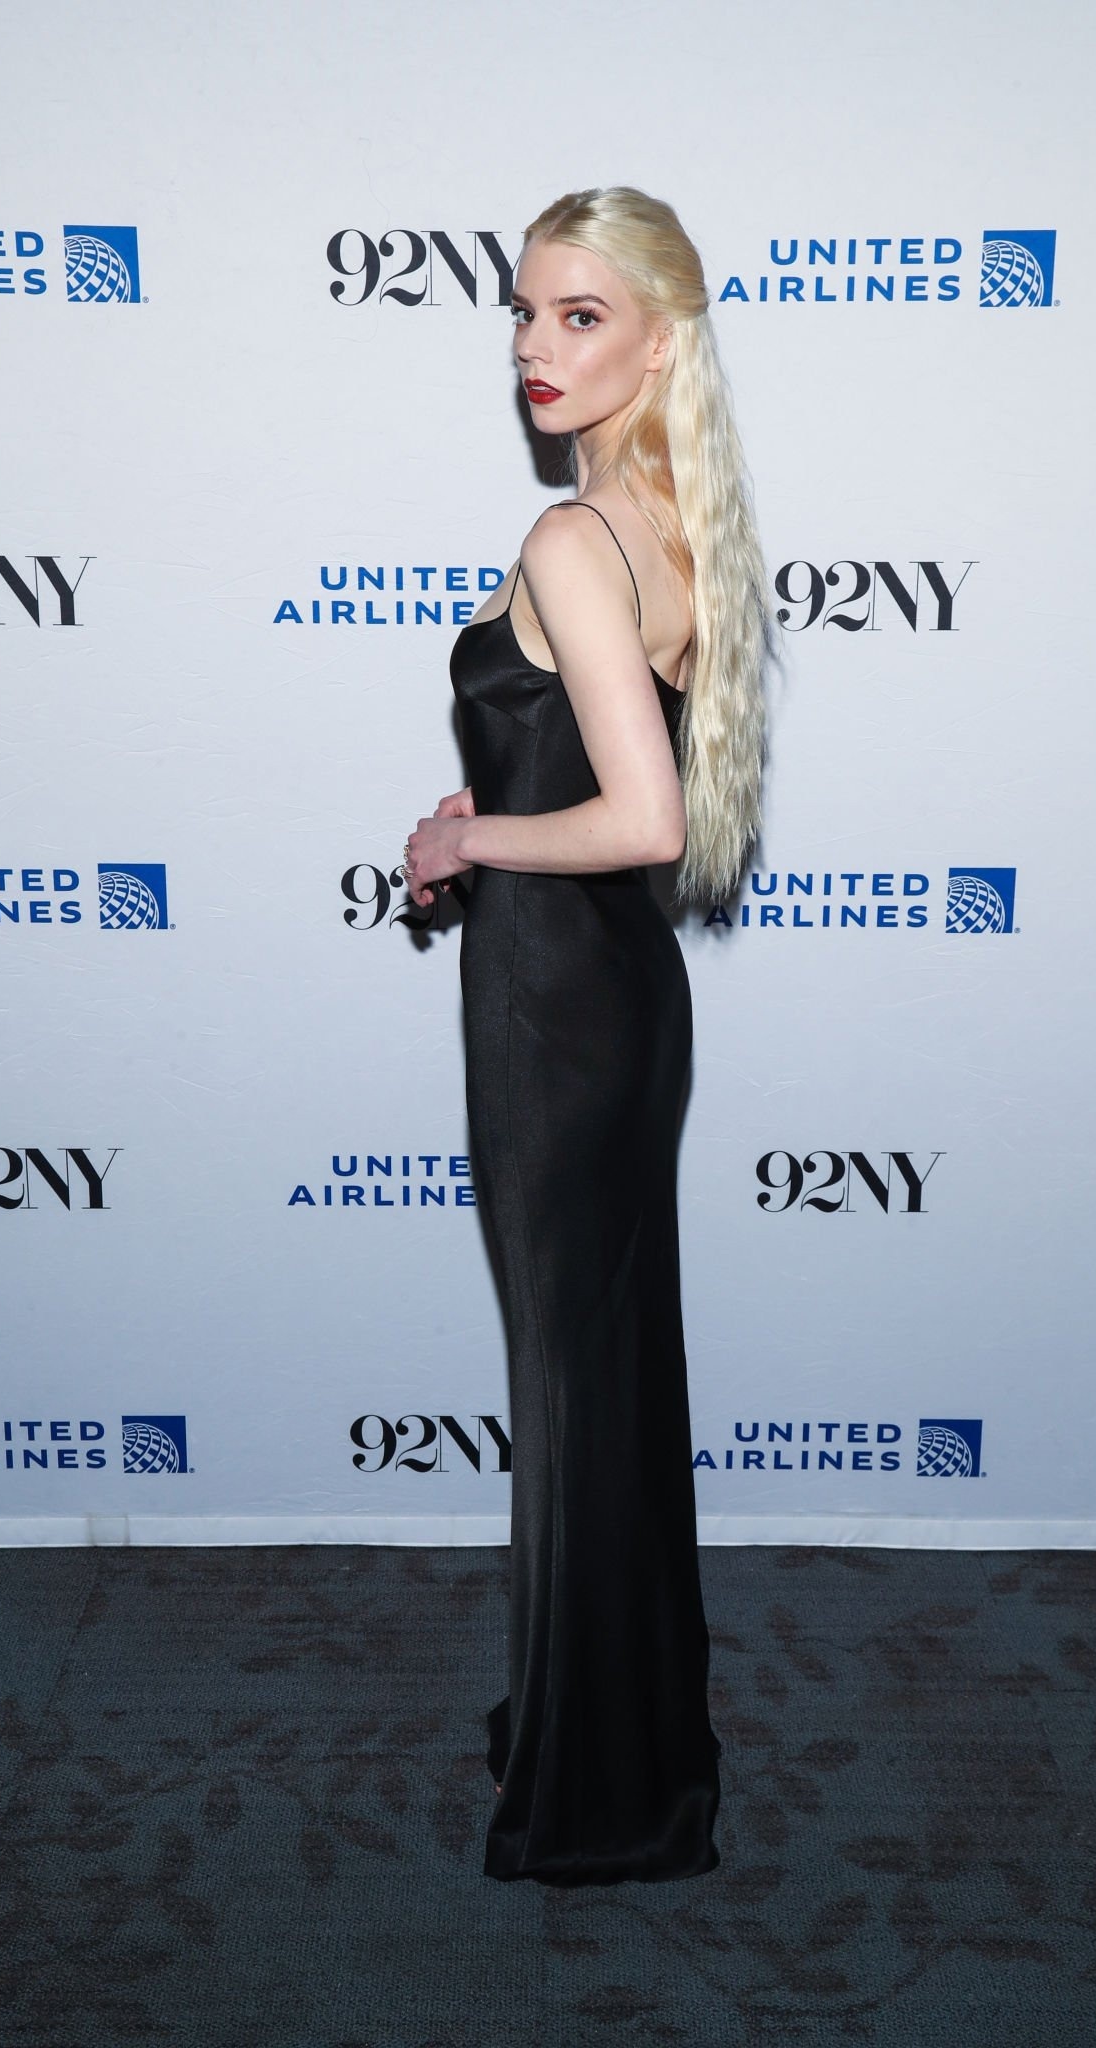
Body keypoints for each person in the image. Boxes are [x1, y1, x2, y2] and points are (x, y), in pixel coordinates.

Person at [402, 186, 768, 1885]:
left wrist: (472, 835)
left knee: (570, 1387)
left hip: (553, 1004)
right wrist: (493, 811)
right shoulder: (672, 518)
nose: (533, 349)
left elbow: (641, 818)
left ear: (658, 339)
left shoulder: (572, 536)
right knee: (605, 1380)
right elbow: (606, 780)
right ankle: (620, 1740)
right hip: (608, 995)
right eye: (522, 312)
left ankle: (599, 1789)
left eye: (578, 316)